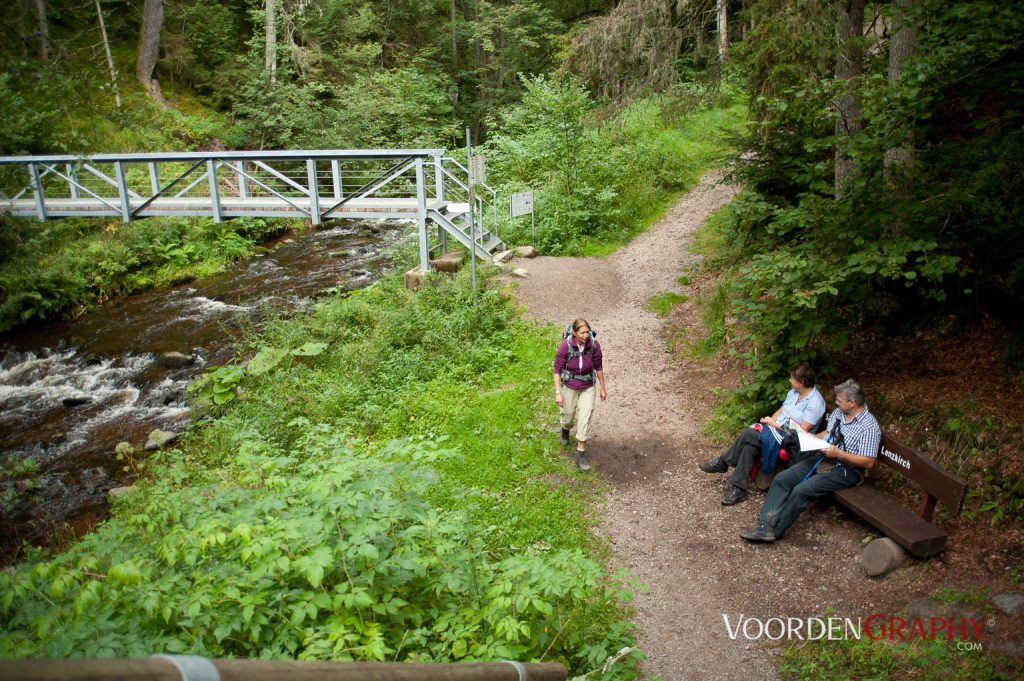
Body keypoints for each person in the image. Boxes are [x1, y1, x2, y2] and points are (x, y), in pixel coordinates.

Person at [740, 379, 881, 543]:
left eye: (840, 401)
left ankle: (776, 530)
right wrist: (811, 438)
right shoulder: (839, 414)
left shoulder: (869, 427)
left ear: (852, 403)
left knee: (801, 490)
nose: (836, 403)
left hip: (845, 470)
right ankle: (764, 526)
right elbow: (827, 433)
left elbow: (868, 462)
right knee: (782, 479)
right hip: (822, 458)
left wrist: (839, 454)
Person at [699, 364, 826, 505]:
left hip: (793, 442)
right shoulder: (793, 393)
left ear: (802, 382)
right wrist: (769, 425)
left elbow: (800, 431)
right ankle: (738, 489)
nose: (789, 380)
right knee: (750, 444)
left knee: (749, 433)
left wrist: (774, 425)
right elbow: (781, 411)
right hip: (777, 432)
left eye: (792, 378)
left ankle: (723, 462)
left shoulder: (815, 403)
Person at [553, 318, 607, 471]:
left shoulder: (594, 345)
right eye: (582, 333)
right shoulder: (566, 345)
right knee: (568, 416)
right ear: (574, 333)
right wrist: (558, 392)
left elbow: (599, 367)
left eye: (587, 332)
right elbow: (557, 370)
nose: (585, 335)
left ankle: (580, 454)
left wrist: (603, 388)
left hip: (587, 387)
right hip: (569, 386)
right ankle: (565, 427)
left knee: (585, 415)